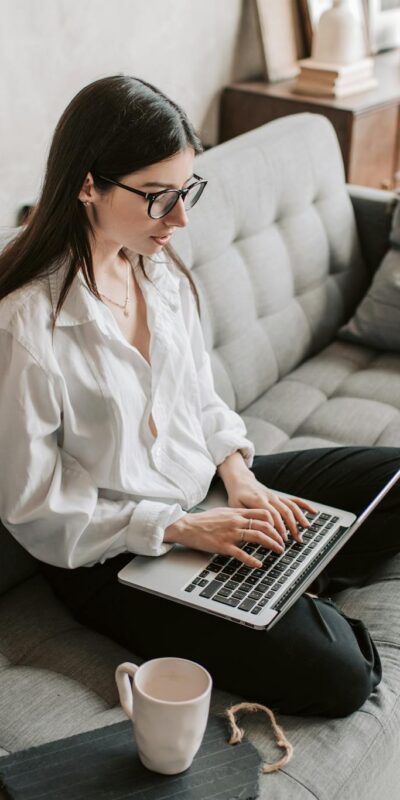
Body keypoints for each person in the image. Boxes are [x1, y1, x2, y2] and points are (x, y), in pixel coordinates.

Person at [0, 75, 398, 719]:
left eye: (186, 191)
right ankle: (289, 586)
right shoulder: (25, 326)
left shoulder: (157, 269)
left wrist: (240, 477)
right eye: (159, 197)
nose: (181, 219)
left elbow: (201, 399)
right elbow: (37, 510)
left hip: (206, 494)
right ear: (87, 185)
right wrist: (183, 529)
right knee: (341, 679)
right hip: (114, 553)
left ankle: (284, 576)